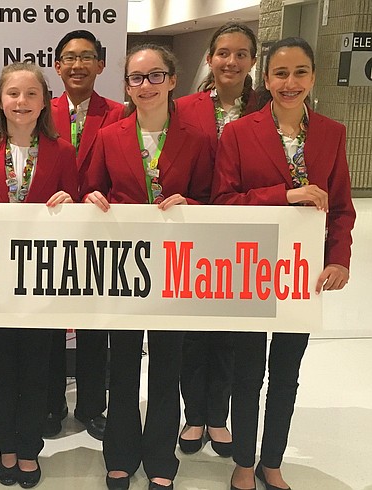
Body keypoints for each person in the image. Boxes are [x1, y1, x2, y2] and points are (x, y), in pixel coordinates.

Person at [212, 37, 355, 490]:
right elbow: (224, 201)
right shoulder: (238, 132)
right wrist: (286, 195)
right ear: (266, 78)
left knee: (287, 373)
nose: (289, 83)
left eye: (299, 73)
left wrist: (340, 258)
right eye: (280, 73)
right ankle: (243, 461)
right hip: (251, 268)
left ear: (312, 77)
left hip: (302, 273)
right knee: (248, 372)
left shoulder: (332, 132)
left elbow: (343, 207)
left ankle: (272, 460)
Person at [81, 44, 211, 490]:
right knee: (122, 365)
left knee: (166, 366)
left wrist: (190, 204)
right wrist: (91, 198)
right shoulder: (109, 136)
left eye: (155, 76)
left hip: (175, 270)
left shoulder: (196, 139)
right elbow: (92, 188)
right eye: (136, 78)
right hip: (124, 268)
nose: (145, 86)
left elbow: (214, 203)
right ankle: (118, 451)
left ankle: (160, 455)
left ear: (173, 80)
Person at [0, 62, 77, 488]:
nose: (21, 102)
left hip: (43, 281)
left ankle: (29, 448)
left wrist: (70, 200)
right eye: (13, 94)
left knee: (38, 367)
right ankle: (5, 444)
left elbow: (75, 204)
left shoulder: (62, 151)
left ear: (45, 102)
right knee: (2, 368)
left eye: (31, 95)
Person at [174, 21, 258, 457]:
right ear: (210, 58)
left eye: (241, 53)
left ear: (252, 61)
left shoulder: (265, 105)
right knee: (192, 330)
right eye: (223, 52)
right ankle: (193, 415)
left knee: (229, 329)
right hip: (195, 227)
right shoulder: (184, 108)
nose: (231, 61)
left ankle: (218, 416)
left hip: (248, 233)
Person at [45, 29, 125, 440]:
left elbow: (127, 169)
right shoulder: (40, 109)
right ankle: (51, 402)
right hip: (51, 231)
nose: (78, 65)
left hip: (99, 231)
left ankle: (93, 405)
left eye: (87, 57)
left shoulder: (119, 113)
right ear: (57, 66)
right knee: (50, 321)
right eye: (70, 58)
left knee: (96, 322)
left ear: (101, 65)